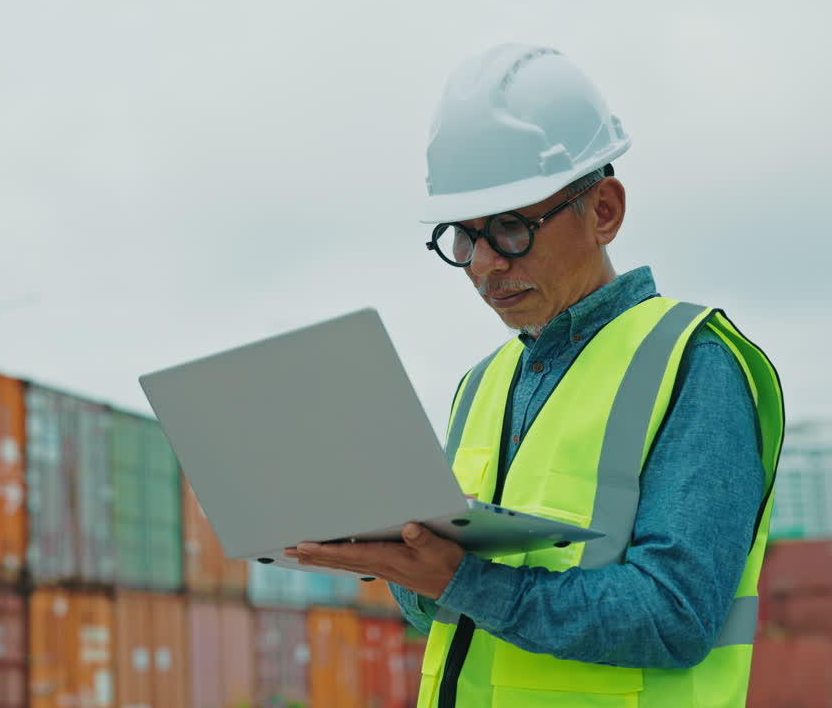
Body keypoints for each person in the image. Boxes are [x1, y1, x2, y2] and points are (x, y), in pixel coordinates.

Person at [282, 43, 784, 707]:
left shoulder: (693, 363)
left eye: (512, 229)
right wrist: (393, 555)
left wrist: (461, 578)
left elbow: (674, 616)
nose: (484, 264)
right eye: (462, 236)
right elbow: (440, 607)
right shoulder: (480, 385)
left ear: (603, 210)